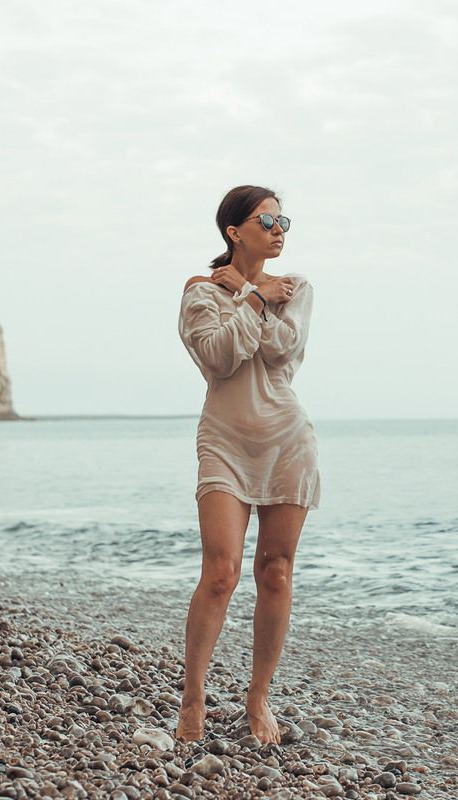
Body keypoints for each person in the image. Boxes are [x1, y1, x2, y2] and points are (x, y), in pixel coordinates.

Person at [175, 185, 319, 744]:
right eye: (267, 219)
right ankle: (193, 695)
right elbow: (219, 355)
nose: (280, 228)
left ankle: (258, 700)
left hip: (287, 439)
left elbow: (283, 349)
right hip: (225, 441)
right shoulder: (201, 291)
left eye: (285, 220)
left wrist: (254, 292)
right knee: (221, 573)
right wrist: (257, 298)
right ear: (235, 231)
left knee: (276, 572)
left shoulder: (298, 287)